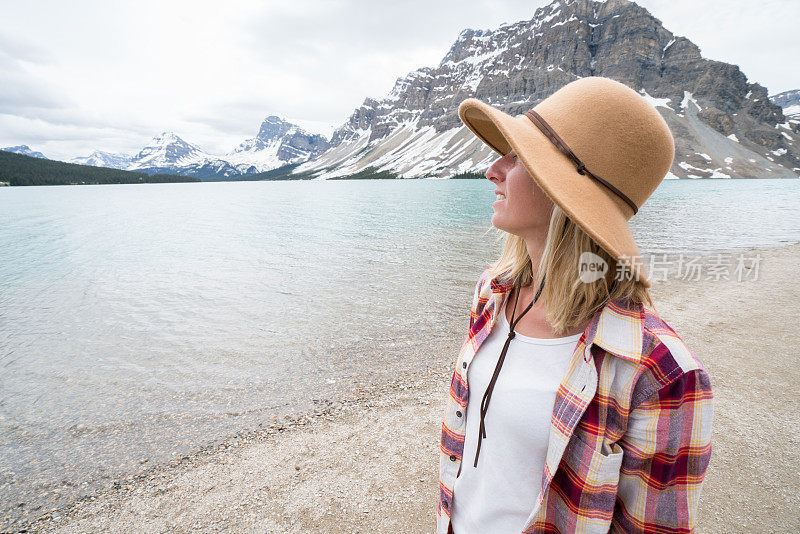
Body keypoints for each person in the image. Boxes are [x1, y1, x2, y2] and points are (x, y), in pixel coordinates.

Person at [437, 77, 714, 534]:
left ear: (564, 193)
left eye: (518, 156)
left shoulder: (663, 372)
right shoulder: (492, 292)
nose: (493, 169)